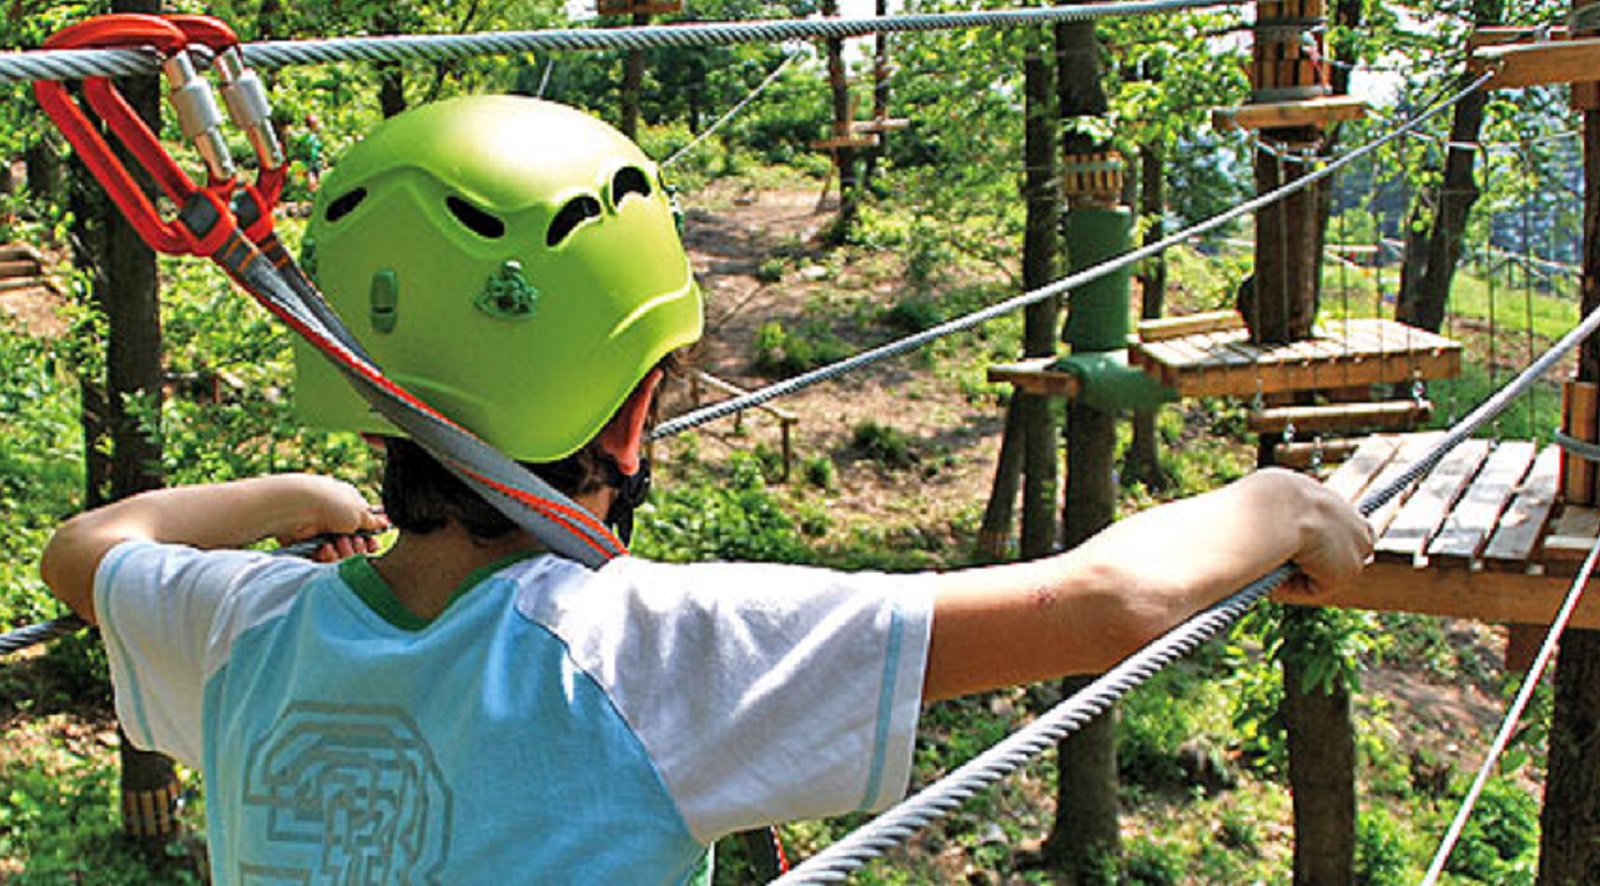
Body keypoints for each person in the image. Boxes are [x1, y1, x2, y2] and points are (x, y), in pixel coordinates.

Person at [41, 95, 1373, 884]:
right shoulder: (643, 656)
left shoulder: (243, 630)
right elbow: (1110, 599)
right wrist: (1282, 504)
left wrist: (294, 485)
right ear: (628, 409)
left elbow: (87, 547)